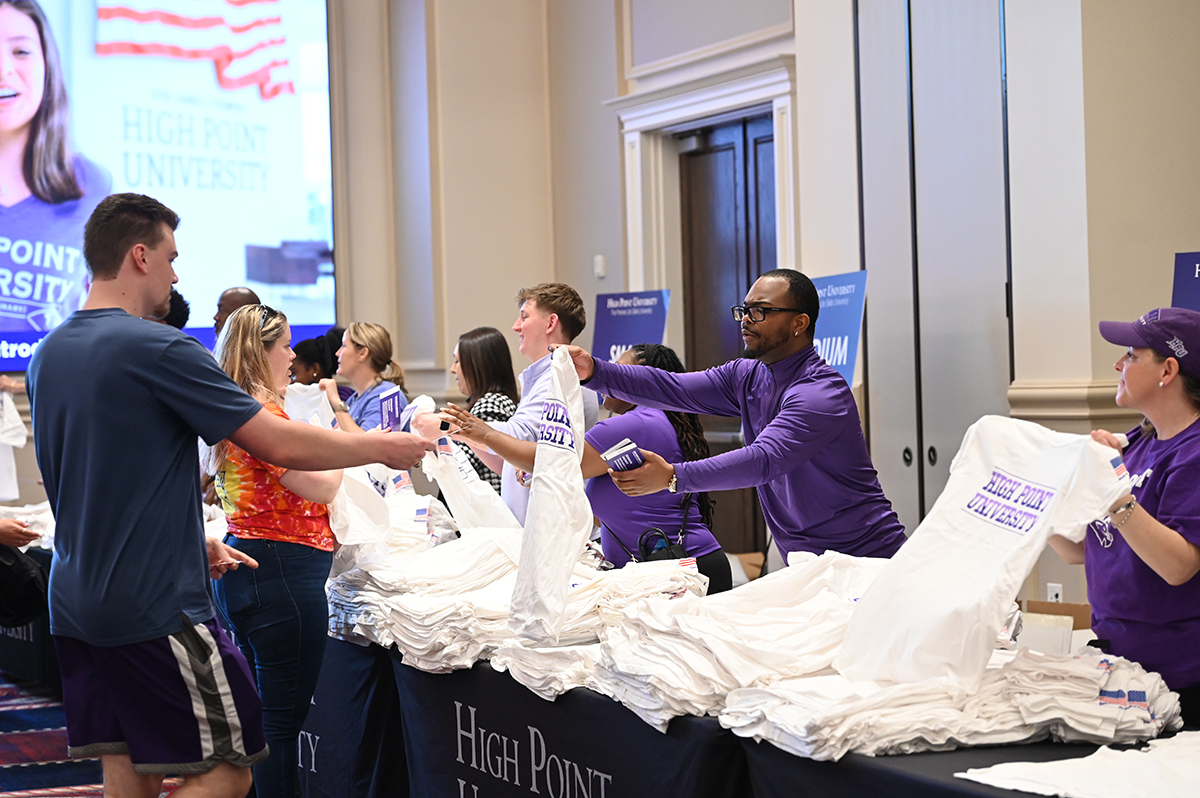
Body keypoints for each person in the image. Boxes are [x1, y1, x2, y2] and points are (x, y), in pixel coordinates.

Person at [26, 193, 433, 798]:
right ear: (139, 255)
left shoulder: (47, 353)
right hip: (151, 604)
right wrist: (378, 447)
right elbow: (280, 445)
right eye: (171, 256)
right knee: (230, 769)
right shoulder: (157, 347)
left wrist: (193, 540)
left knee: (129, 765)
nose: (176, 273)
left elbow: (102, 481)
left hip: (76, 600)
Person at [556, 269, 907, 562]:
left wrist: (673, 477)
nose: (746, 320)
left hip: (866, 558)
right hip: (805, 560)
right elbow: (673, 388)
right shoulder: (748, 375)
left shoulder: (819, 393)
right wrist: (595, 371)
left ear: (800, 323)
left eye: (761, 311)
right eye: (744, 310)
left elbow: (763, 460)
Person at [444, 343, 732, 592]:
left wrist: (483, 434)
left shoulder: (635, 424)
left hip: (682, 572)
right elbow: (617, 505)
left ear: (641, 381)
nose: (610, 378)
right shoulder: (654, 420)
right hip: (674, 569)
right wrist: (549, 476)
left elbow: (553, 459)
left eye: (621, 371)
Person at [207, 304, 342, 798]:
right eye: (284, 346)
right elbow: (321, 487)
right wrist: (342, 450)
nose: (292, 357)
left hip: (248, 564)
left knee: (263, 720)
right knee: (280, 728)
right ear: (259, 351)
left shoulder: (230, 408)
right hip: (282, 572)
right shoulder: (264, 418)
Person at [1048, 307, 1200, 729]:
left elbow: (1179, 565)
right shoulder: (1136, 443)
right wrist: (1043, 502)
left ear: (1168, 369)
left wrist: (1116, 493)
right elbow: (1083, 550)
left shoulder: (1193, 453)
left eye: (1132, 355)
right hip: (1117, 664)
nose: (1118, 364)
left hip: (1180, 679)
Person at [422, 283, 598, 524]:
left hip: (549, 525)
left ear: (550, 323)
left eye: (524, 317)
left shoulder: (560, 377)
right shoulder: (544, 376)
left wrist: (449, 425)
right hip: (532, 523)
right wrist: (464, 436)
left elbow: (521, 437)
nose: (516, 326)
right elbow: (510, 461)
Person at [0, 0, 111, 332]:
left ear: (47, 64)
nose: (3, 67)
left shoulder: (93, 186)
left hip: (50, 383)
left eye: (21, 51)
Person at [449, 326, 519, 493]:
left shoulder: (490, 405)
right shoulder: (498, 401)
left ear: (478, 365)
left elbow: (461, 467)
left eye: (457, 361)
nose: (453, 369)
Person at [318, 322, 407, 433]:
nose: (337, 353)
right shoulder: (354, 399)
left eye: (344, 346)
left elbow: (372, 446)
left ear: (363, 353)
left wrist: (336, 402)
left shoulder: (388, 395)